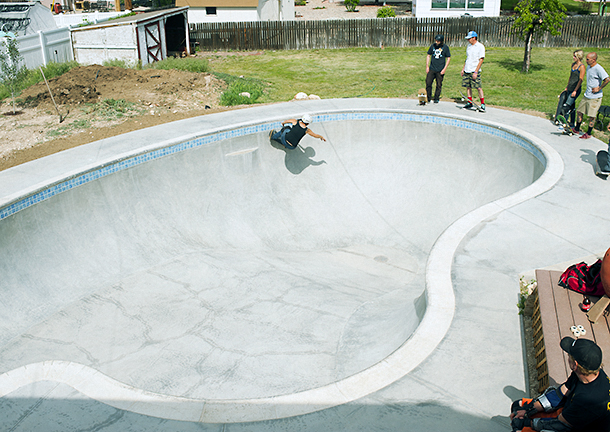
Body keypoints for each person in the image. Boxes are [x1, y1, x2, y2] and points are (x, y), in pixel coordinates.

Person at [510, 337, 610, 432]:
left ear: (575, 365)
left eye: (569, 355)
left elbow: (560, 424)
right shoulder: (588, 372)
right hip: (570, 412)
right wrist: (529, 410)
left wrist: (526, 422)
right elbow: (559, 394)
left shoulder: (587, 400)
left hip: (575, 425)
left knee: (518, 427)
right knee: (518, 405)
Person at [573, 52, 610, 139]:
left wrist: (599, 88)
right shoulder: (589, 67)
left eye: (588, 59)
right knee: (579, 111)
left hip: (595, 97)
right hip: (587, 95)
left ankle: (588, 133)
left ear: (593, 60)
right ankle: (577, 128)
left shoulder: (598, 68)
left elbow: (607, 79)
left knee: (592, 116)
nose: (586, 61)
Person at [556, 50, 585, 128]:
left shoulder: (581, 67)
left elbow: (580, 80)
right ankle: (572, 122)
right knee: (572, 105)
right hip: (570, 88)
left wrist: (575, 90)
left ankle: (563, 122)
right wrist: (567, 86)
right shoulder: (573, 65)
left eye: (575, 56)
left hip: (576, 89)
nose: (573, 57)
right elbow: (570, 77)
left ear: (579, 57)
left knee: (567, 106)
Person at [461, 30, 486, 112]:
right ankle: (469, 101)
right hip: (467, 69)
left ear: (474, 38)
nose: (468, 40)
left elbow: (481, 60)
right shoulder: (469, 46)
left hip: (474, 70)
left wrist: (476, 71)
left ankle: (482, 103)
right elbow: (467, 58)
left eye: (469, 39)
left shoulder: (480, 46)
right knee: (468, 86)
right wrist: (463, 69)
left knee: (478, 87)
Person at [425, 34, 451, 104]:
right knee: (428, 82)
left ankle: (436, 98)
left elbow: (448, 58)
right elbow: (428, 55)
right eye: (436, 40)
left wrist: (444, 69)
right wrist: (427, 66)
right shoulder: (433, 46)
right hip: (432, 68)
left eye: (438, 41)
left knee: (439, 84)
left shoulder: (445, 47)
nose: (436, 42)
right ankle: (428, 97)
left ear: (441, 41)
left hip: (440, 69)